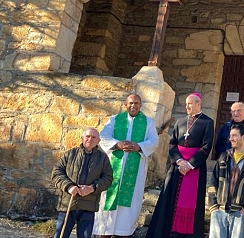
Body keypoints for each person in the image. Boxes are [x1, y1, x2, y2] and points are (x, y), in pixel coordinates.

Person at [146, 92, 215, 238]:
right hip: (177, 168)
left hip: (194, 170)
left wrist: (190, 165)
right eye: (186, 104)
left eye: (190, 103)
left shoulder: (207, 122)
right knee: (170, 199)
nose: (186, 106)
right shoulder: (180, 121)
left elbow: (206, 147)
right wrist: (179, 161)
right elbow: (172, 144)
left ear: (198, 104)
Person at [93, 94, 159, 238]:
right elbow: (103, 136)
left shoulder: (148, 123)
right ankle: (104, 232)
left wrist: (139, 147)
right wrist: (117, 144)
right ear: (125, 104)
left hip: (135, 171)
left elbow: (154, 141)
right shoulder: (115, 120)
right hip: (113, 169)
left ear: (141, 105)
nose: (133, 106)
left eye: (136, 103)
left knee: (128, 207)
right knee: (108, 202)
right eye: (130, 103)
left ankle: (123, 232)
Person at [51, 128, 113, 238]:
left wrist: (92, 188)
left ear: (98, 141)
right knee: (60, 235)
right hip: (67, 204)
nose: (90, 139)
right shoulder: (70, 154)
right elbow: (56, 173)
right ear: (82, 138)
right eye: (87, 136)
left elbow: (108, 178)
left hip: (88, 207)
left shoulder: (103, 159)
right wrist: (69, 186)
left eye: (94, 137)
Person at [207, 123, 244, 238]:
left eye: (234, 136)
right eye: (230, 136)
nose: (230, 139)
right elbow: (213, 183)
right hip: (219, 211)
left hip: (239, 213)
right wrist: (213, 206)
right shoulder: (223, 157)